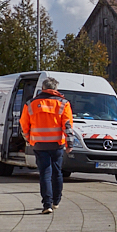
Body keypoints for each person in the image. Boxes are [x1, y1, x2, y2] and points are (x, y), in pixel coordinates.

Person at [20, 77, 74, 214]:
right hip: (56, 144)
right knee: (57, 173)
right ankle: (56, 201)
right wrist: (70, 143)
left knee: (45, 173)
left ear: (43, 88)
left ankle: (47, 204)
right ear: (55, 89)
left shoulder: (30, 104)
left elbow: (24, 125)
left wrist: (29, 139)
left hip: (39, 144)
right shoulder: (63, 103)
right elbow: (67, 126)